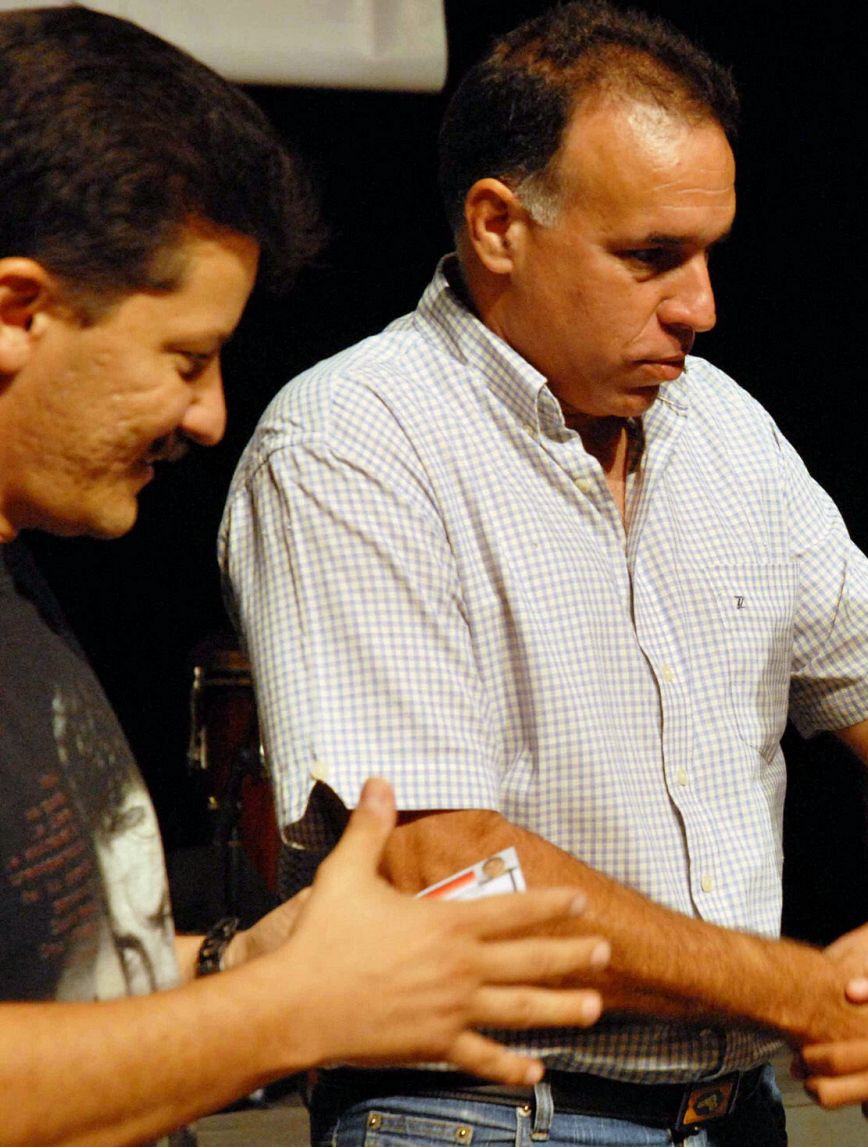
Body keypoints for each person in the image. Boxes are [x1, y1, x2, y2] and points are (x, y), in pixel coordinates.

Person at [219, 3, 868, 1143]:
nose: (701, 306)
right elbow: (443, 862)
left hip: (727, 1112)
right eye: (651, 257)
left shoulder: (722, 428)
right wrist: (806, 992)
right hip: (487, 1113)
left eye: (709, 251)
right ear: (497, 226)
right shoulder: (353, 443)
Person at [0, 10, 611, 1145]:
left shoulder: (18, 584)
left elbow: (54, 985)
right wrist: (282, 1011)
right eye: (184, 357)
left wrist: (242, 962)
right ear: (17, 311)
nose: (209, 413)